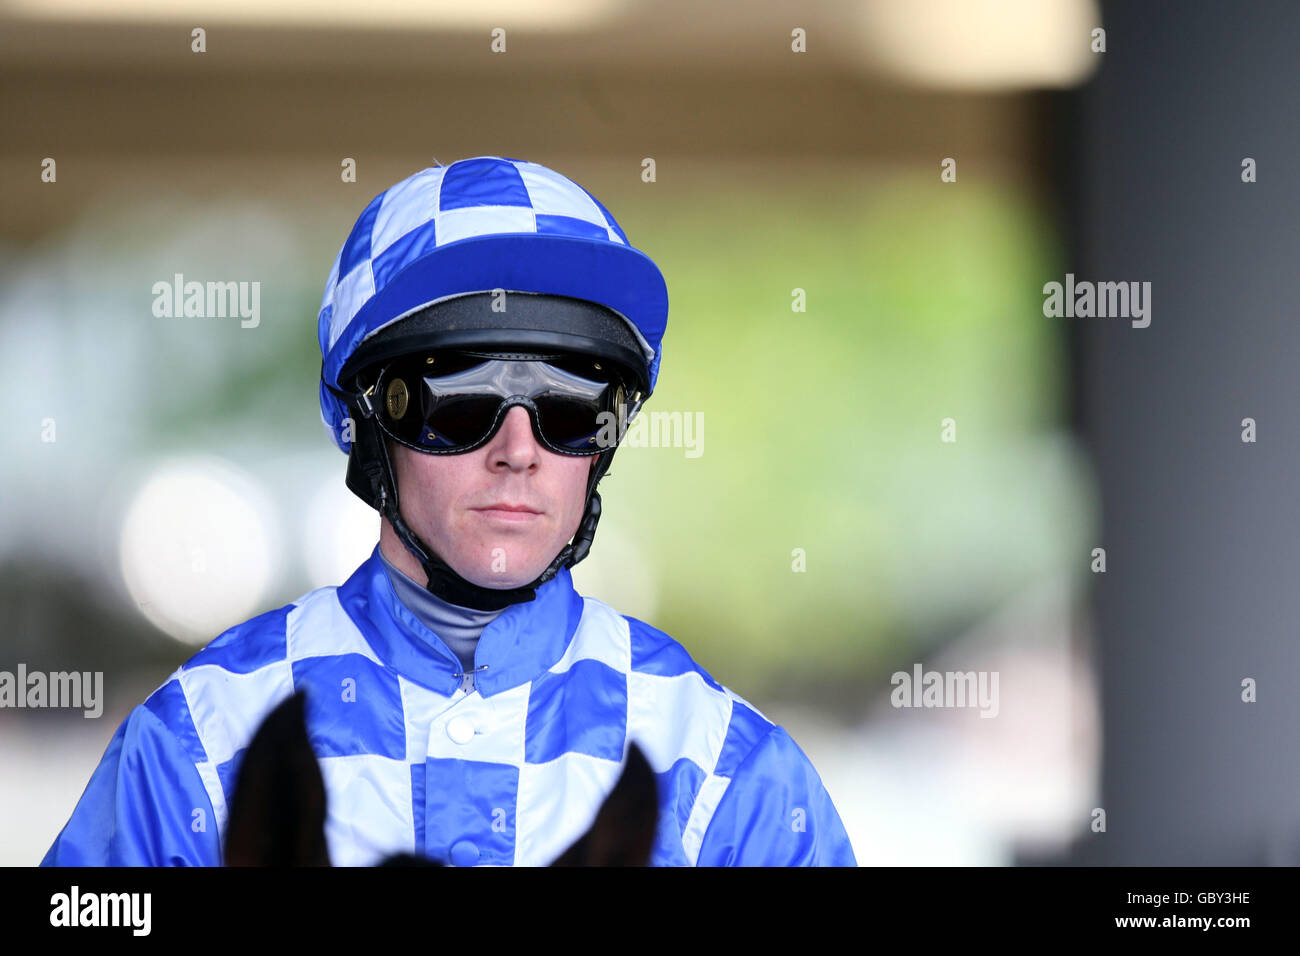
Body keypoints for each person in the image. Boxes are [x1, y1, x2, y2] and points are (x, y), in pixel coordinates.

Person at [40, 156, 857, 866]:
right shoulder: (196, 742)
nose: (519, 449)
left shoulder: (733, 774)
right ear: (365, 424)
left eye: (572, 405)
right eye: (457, 399)